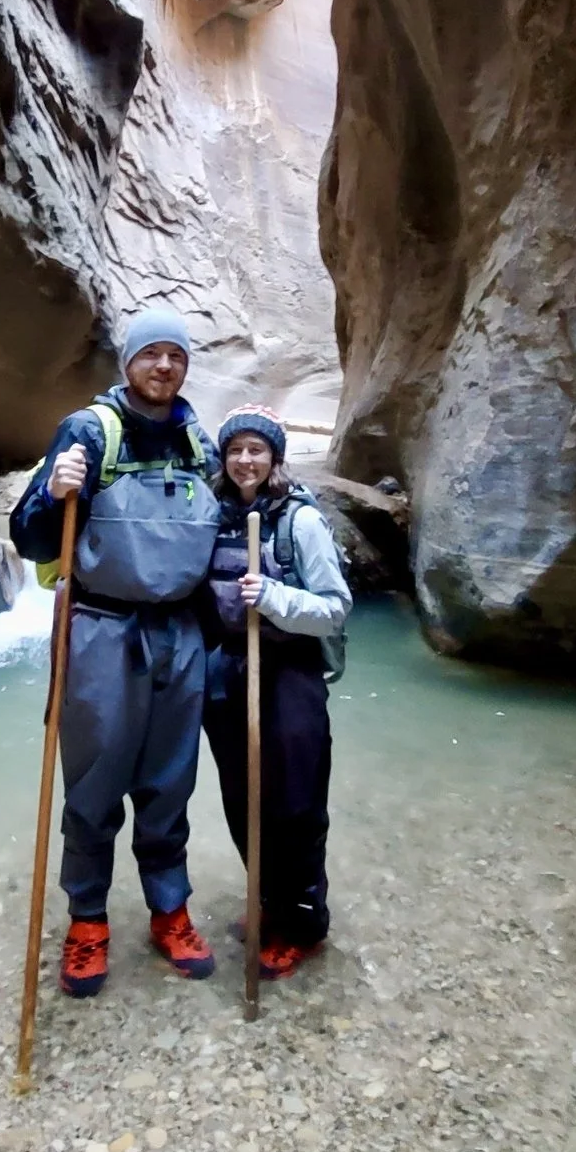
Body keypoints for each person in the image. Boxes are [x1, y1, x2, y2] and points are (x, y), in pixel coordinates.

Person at [8, 306, 223, 998]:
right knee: (96, 783)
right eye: (152, 353)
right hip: (102, 629)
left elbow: (234, 513)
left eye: (176, 355)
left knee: (170, 782)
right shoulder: (88, 431)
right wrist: (53, 489)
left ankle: (169, 908)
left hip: (180, 635)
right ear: (128, 361)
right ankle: (88, 919)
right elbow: (32, 538)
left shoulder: (199, 440)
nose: (165, 365)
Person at [201, 404, 351, 978]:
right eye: (235, 449)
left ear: (275, 457)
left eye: (256, 450)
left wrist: (274, 597)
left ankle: (304, 923)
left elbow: (335, 608)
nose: (245, 460)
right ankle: (267, 900)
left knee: (295, 803)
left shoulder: (300, 522)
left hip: (288, 672)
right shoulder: (214, 514)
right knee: (243, 798)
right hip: (228, 671)